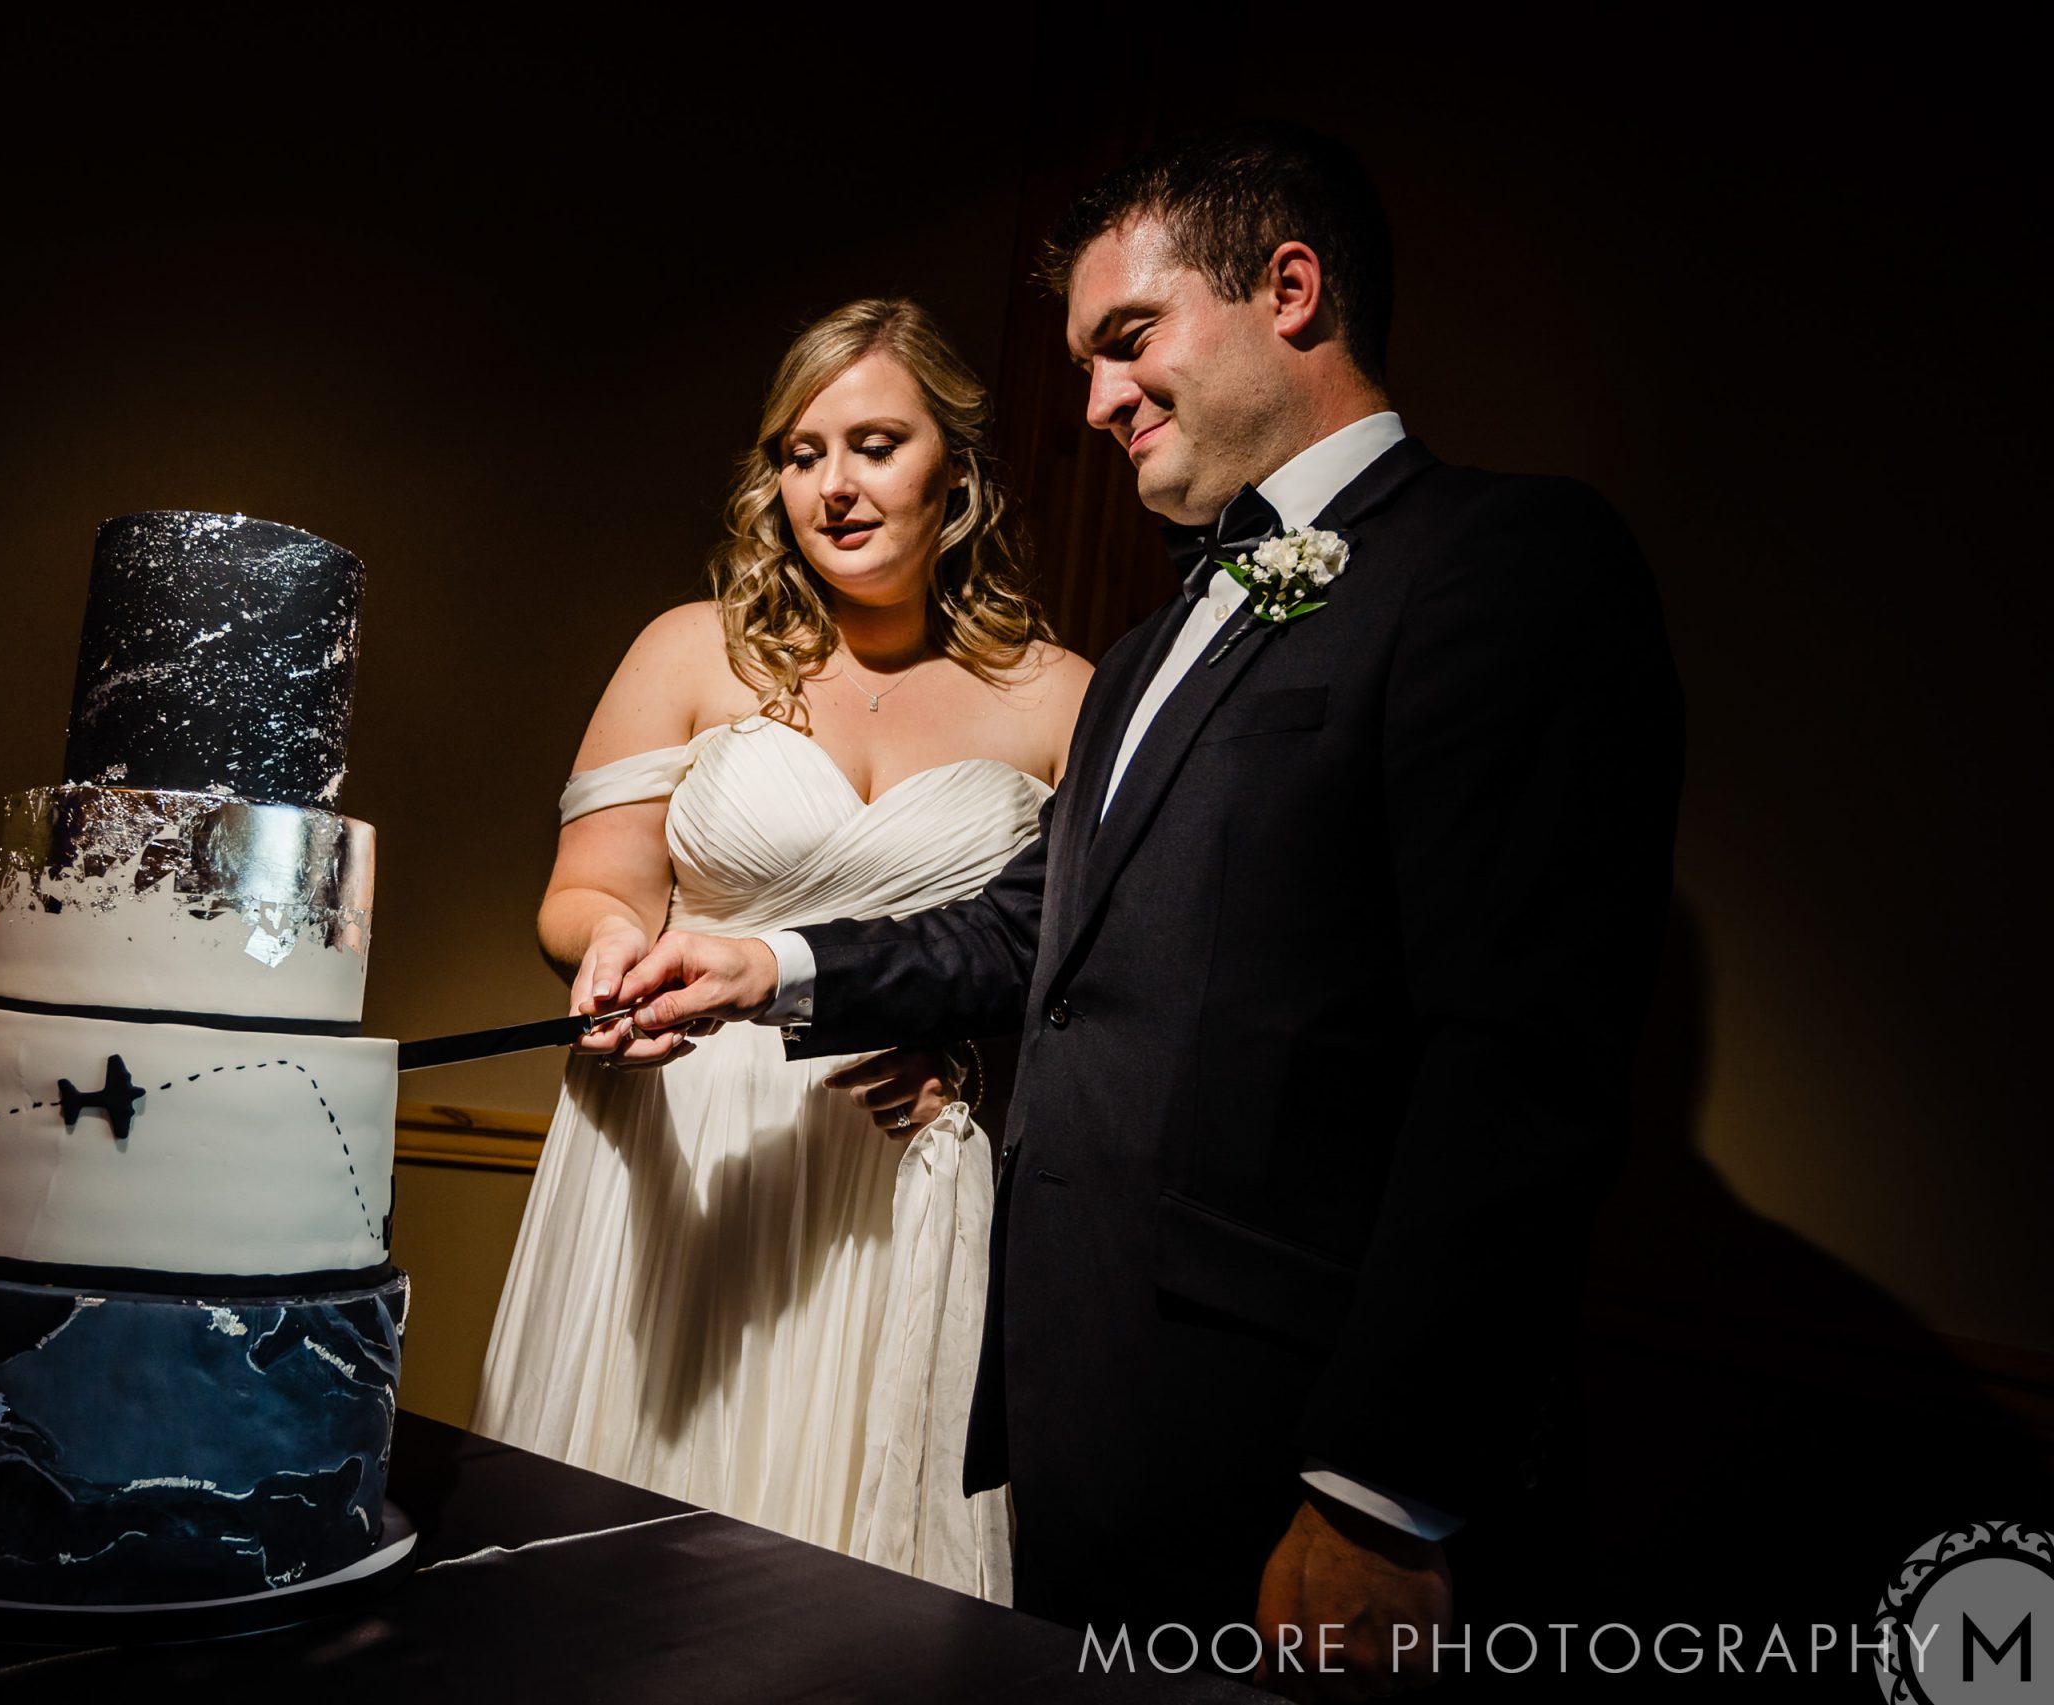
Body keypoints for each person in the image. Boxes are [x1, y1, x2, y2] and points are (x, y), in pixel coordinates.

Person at [598, 125, 1683, 1698]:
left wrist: (1381, 1493)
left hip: (1296, 1438)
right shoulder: (1157, 635)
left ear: (1289, 290)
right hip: (1080, 1410)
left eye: (1130, 339)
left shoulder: (1506, 564)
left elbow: (1520, 1066)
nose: (1097, 397)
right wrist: (764, 962)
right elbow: (1023, 931)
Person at [472, 298, 1092, 1602]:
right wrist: (608, 954)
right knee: (616, 1587)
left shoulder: (1065, 700)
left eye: (873, 443)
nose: (833, 486)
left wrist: (971, 1060)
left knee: (842, 1599)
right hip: (679, 1151)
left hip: (893, 1176)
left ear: (958, 470)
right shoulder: (691, 652)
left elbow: (1078, 972)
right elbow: (588, 889)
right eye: (800, 454)